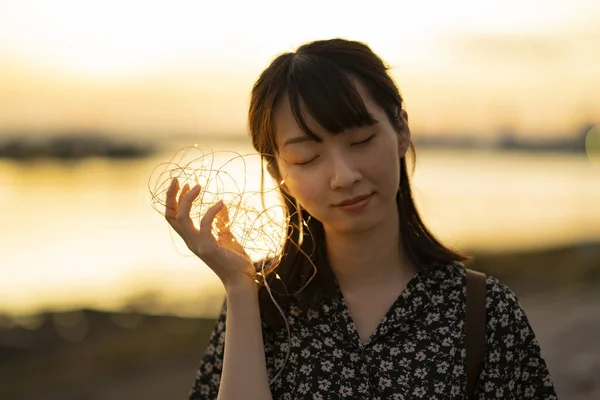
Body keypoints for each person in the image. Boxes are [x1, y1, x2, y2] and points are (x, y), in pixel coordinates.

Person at [165, 38, 557, 399]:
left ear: (401, 130)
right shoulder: (262, 304)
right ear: (276, 169)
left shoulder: (484, 312)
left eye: (361, 141)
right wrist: (238, 287)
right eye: (307, 158)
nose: (343, 175)